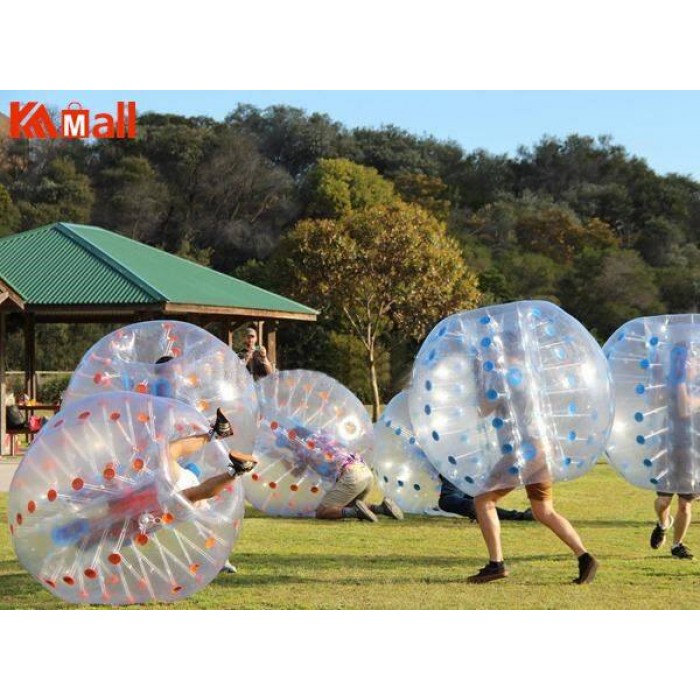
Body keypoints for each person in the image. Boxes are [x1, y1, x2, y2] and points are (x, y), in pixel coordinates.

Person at [467, 337, 598, 584]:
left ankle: (496, 564)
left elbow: (483, 408)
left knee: (483, 500)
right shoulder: (529, 373)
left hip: (522, 449)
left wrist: (478, 380)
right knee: (543, 511)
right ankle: (585, 557)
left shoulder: (504, 375)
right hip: (542, 447)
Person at [272, 421, 403, 522]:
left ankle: (357, 512)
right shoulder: (322, 434)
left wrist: (280, 458)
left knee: (322, 512)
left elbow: (297, 473)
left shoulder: (303, 448)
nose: (288, 447)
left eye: (286, 444)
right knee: (342, 506)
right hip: (366, 473)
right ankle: (381, 509)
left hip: (351, 475)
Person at [650, 341, 699, 559]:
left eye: (690, 359)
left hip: (693, 451)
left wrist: (681, 383)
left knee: (685, 503)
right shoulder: (669, 384)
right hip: (668, 446)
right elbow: (655, 403)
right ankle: (663, 523)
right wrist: (661, 379)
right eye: (681, 359)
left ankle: (677, 545)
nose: (686, 363)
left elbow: (686, 408)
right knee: (663, 502)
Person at [437, 475, 533, 522]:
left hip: (456, 470)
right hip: (469, 470)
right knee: (470, 499)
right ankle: (521, 516)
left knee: (447, 500)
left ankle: (520, 516)